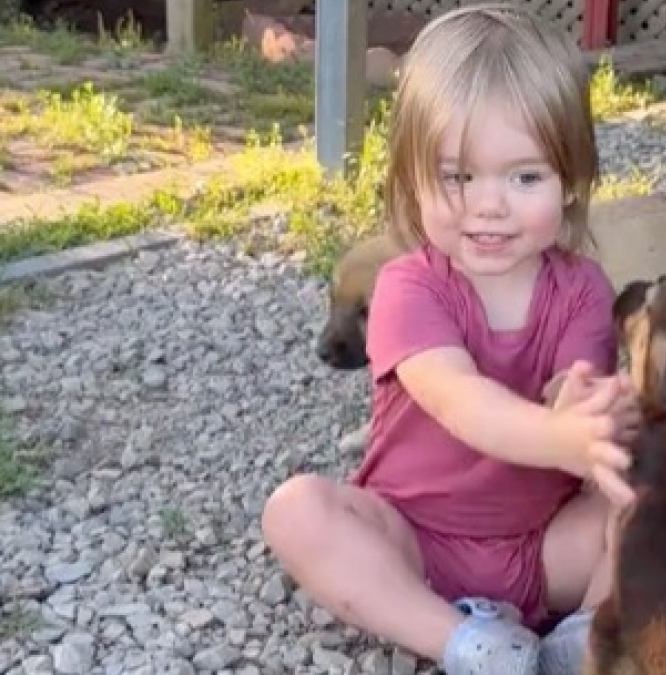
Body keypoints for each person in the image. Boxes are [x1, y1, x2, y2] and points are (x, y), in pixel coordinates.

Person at [260, 4, 640, 675]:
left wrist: (594, 409)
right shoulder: (407, 287)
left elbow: (573, 395)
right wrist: (562, 435)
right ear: (408, 179)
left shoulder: (583, 289)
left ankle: (591, 629)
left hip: (547, 547)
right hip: (414, 545)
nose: (488, 204)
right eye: (457, 176)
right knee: (296, 510)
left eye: (525, 177)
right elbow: (459, 398)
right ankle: (466, 643)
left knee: (646, 488)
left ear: (572, 181)